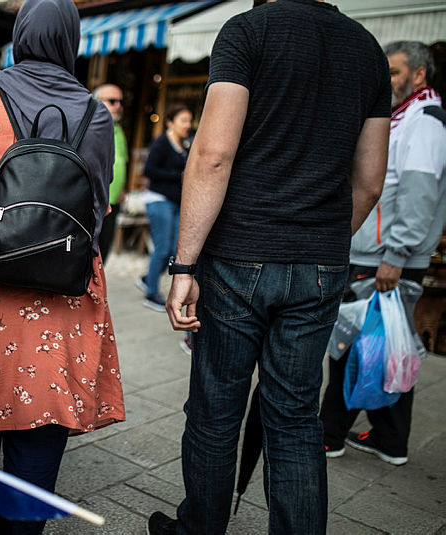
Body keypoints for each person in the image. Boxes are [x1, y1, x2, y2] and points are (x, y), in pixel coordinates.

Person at [147, 0, 391, 533]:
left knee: (215, 410)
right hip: (321, 263)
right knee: (296, 418)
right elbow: (371, 181)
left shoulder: (247, 31)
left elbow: (213, 155)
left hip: (238, 254)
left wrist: (183, 265)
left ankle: (199, 529)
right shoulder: (367, 49)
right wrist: (321, 242)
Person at [0, 0, 125, 533]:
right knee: (42, 427)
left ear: (20, 34)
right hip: (64, 295)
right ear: (71, 40)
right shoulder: (96, 114)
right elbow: (97, 210)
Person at [319, 41, 446, 467]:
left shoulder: (425, 121)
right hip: (380, 255)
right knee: (387, 345)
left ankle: (329, 435)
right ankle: (390, 439)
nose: (387, 79)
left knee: (349, 346)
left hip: (385, 260)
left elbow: (419, 196)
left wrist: (396, 255)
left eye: (394, 71)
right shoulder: (405, 116)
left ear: (419, 74)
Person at [138, 104, 192, 311]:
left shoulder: (184, 145)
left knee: (172, 251)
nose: (187, 125)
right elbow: (149, 170)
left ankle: (147, 278)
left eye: (189, 121)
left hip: (176, 203)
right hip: (159, 200)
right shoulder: (161, 143)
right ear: (170, 122)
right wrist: (178, 176)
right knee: (162, 249)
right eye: (183, 121)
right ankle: (151, 294)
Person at [94, 83, 128, 262]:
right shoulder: (92, 127)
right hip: (96, 201)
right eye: (113, 101)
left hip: (114, 201)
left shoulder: (118, 129)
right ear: (97, 101)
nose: (118, 106)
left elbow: (122, 161)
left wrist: (122, 189)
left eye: (121, 102)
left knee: (104, 251)